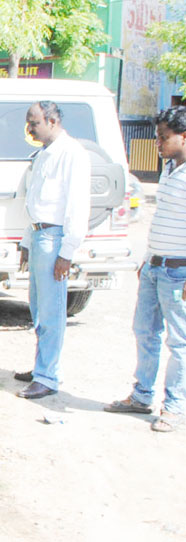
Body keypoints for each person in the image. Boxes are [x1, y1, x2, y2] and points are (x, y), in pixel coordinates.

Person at [104, 106, 186, 432]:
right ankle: (141, 395)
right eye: (156, 136)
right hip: (154, 267)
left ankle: (174, 406)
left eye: (164, 138)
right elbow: (165, 218)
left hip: (178, 272)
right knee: (144, 332)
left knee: (178, 343)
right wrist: (148, 257)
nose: (157, 143)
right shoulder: (169, 168)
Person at [14, 101, 91, 400]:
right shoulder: (44, 153)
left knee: (52, 310)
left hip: (54, 237)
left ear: (53, 120)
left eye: (34, 122)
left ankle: (48, 377)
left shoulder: (71, 153)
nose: (29, 128)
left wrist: (67, 252)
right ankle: (40, 367)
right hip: (38, 235)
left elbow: (77, 205)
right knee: (37, 308)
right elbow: (34, 202)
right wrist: (25, 242)